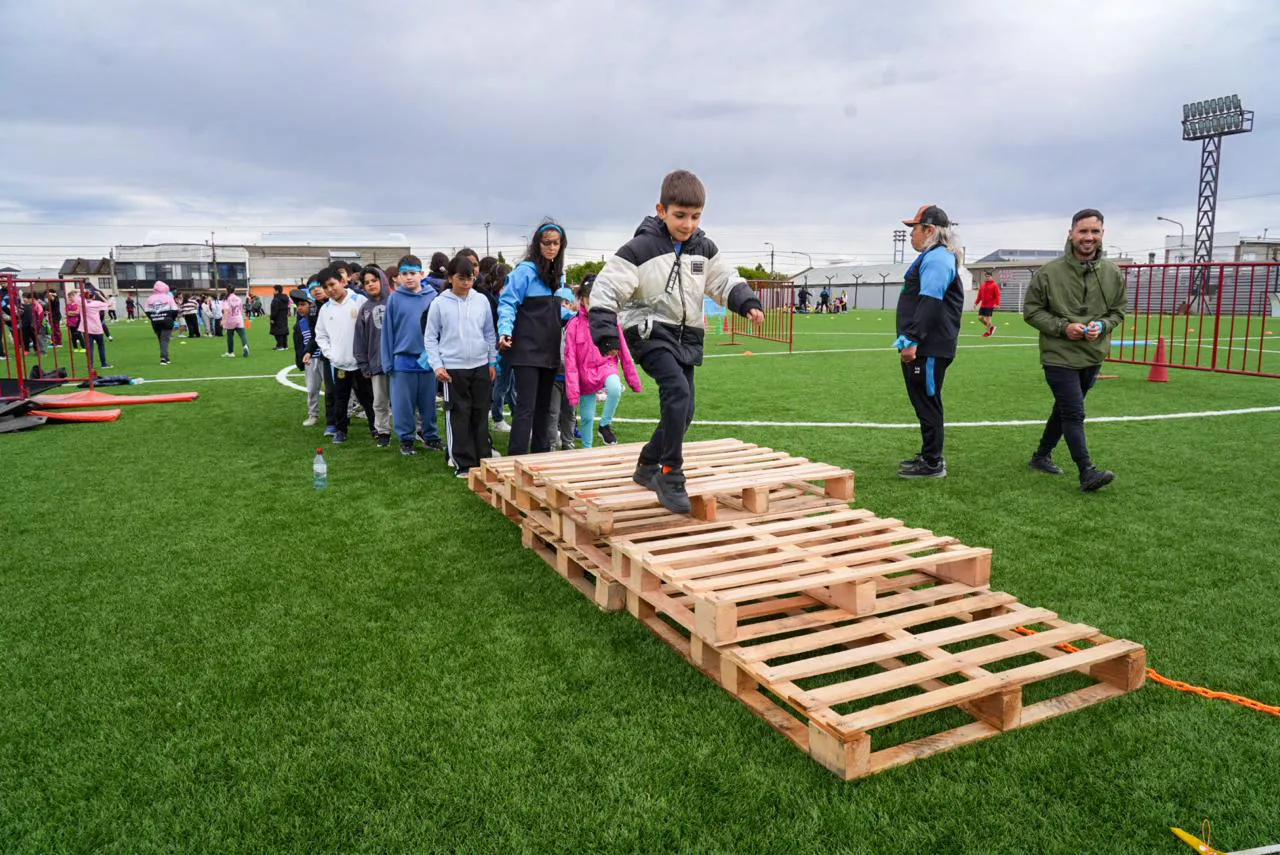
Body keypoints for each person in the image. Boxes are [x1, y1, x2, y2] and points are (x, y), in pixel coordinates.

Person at [588, 170, 764, 514]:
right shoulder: (639, 249)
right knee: (677, 392)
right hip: (648, 331)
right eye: (680, 216)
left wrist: (747, 302)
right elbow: (606, 290)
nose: (688, 224)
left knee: (685, 412)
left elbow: (724, 280)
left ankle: (647, 465)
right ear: (661, 210)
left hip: (686, 336)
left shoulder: (704, 248)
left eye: (695, 217)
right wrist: (607, 333)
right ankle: (671, 474)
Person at [1023, 208, 1126, 492]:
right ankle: (1087, 471)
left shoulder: (1113, 273)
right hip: (1058, 355)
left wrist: (1103, 326)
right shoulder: (1048, 273)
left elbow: (1118, 311)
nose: (1089, 237)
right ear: (1071, 234)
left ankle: (1041, 456)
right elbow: (1031, 312)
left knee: (1065, 409)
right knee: (1074, 412)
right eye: (1083, 231)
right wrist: (1062, 327)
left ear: (1102, 234)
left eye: (1095, 231)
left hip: (1093, 354)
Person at [894, 205, 968, 479]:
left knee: (928, 401)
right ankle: (928, 455)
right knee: (925, 399)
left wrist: (913, 340)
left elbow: (930, 302)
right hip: (928, 344)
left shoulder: (938, 258)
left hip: (929, 346)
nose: (912, 234)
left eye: (914, 228)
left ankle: (933, 462)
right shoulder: (935, 256)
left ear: (930, 230)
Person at [498, 222, 569, 455]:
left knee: (544, 408)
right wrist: (505, 331)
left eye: (555, 243)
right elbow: (508, 303)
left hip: (549, 351)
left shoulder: (559, 275)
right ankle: (515, 460)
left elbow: (560, 311)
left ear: (561, 245)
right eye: (546, 242)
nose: (551, 247)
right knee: (525, 409)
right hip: (527, 351)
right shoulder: (524, 272)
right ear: (537, 244)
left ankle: (540, 458)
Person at [424, 255, 497, 477]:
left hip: (481, 365)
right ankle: (462, 463)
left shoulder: (481, 300)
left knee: (480, 412)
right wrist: (437, 366)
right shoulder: (439, 303)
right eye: (461, 278)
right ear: (450, 278)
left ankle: (482, 457)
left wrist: (492, 361)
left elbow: (489, 333)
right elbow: (430, 338)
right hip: (453, 369)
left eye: (471, 278)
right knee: (459, 414)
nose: (467, 283)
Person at [565, 278, 642, 448]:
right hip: (585, 375)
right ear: (582, 299)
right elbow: (570, 361)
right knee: (586, 417)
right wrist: (573, 390)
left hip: (607, 367)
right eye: (588, 299)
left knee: (614, 388)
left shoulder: (610, 321)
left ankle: (604, 425)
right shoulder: (573, 325)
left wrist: (633, 380)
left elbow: (624, 351)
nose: (592, 303)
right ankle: (587, 448)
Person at [381, 254, 442, 455]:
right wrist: (387, 361)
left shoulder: (433, 297)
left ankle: (430, 436)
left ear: (421, 274)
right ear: (398, 277)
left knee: (428, 403)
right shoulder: (394, 299)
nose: (409, 277)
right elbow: (388, 332)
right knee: (402, 406)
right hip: (403, 360)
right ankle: (406, 439)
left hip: (427, 359)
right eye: (404, 274)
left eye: (412, 273)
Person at [315, 269, 372, 444]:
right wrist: (330, 354)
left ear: (342, 281)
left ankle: (376, 428)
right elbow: (320, 335)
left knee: (368, 398)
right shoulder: (325, 309)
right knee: (340, 399)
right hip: (339, 364)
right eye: (326, 287)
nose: (330, 290)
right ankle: (341, 430)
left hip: (361, 363)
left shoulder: (359, 301)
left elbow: (370, 330)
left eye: (332, 284)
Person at [353, 266, 393, 447]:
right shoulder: (365, 309)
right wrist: (363, 363)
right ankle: (383, 431)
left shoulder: (394, 301)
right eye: (366, 282)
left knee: (405, 401)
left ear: (382, 280)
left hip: (398, 363)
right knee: (380, 401)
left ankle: (414, 431)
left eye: (374, 280)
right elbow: (360, 338)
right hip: (377, 363)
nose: (370, 285)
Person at [545, 285, 578, 451]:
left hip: (571, 378)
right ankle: (551, 444)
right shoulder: (550, 323)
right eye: (560, 302)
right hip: (555, 377)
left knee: (569, 413)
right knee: (553, 412)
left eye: (567, 302)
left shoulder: (576, 323)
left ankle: (568, 443)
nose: (564, 306)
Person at [292, 288, 322, 427]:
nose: (300, 308)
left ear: (311, 305)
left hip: (323, 358)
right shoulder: (299, 324)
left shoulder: (318, 319)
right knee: (311, 389)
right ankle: (313, 414)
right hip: (309, 360)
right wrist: (300, 360)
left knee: (334, 389)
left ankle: (344, 412)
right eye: (298, 305)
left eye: (303, 305)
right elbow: (299, 344)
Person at [144, 281, 180, 365]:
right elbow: (175, 309)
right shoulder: (168, 297)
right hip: (167, 320)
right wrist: (172, 318)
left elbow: (146, 310)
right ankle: (163, 358)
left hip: (155, 321)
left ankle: (166, 357)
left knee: (161, 339)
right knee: (165, 339)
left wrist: (152, 317)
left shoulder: (150, 298)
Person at [80, 287, 113, 368]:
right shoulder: (97, 303)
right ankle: (104, 364)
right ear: (94, 297)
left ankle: (90, 365)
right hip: (97, 329)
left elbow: (76, 297)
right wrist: (100, 295)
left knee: (89, 348)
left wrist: (82, 291)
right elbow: (109, 304)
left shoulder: (82, 303)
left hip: (86, 329)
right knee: (101, 346)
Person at [222, 286, 249, 358]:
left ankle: (231, 352)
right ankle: (245, 346)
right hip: (239, 318)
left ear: (227, 290)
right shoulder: (239, 299)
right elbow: (240, 309)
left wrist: (223, 320)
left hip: (230, 319)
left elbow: (226, 310)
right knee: (243, 335)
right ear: (234, 290)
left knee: (230, 336)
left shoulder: (226, 299)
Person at [975, 270, 1002, 337]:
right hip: (983, 305)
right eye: (986, 276)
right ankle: (992, 327)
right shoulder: (983, 285)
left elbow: (998, 295)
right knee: (980, 318)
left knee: (988, 320)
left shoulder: (994, 285)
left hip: (990, 305)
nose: (987, 277)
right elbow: (979, 295)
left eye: (989, 276)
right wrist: (976, 303)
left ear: (991, 277)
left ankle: (988, 332)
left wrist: (997, 303)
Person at [269, 284, 290, 350]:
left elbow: (274, 310)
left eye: (273, 290)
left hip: (277, 317)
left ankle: (279, 346)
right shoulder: (285, 298)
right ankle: (285, 345)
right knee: (284, 331)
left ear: (277, 291)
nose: (272, 291)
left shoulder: (276, 299)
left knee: (277, 332)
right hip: (284, 317)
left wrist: (272, 318)